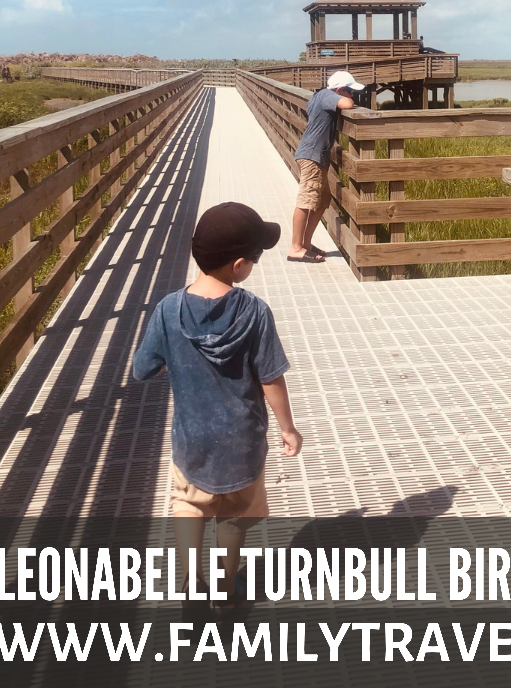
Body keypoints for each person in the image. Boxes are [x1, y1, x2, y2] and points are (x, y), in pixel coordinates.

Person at [132, 201, 302, 613]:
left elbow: (141, 369)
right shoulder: (254, 312)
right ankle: (226, 589)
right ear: (239, 265)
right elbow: (270, 377)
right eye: (256, 258)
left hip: (192, 442)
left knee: (188, 503)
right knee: (233, 513)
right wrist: (287, 428)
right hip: (242, 443)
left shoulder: (169, 310)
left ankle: (192, 581)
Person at [287, 69, 364, 263]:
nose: (352, 96)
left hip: (314, 155)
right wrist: (348, 100)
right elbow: (347, 104)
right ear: (339, 90)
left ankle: (305, 242)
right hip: (312, 155)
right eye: (350, 91)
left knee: (322, 199)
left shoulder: (318, 95)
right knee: (307, 200)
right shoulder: (328, 96)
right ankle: (295, 247)